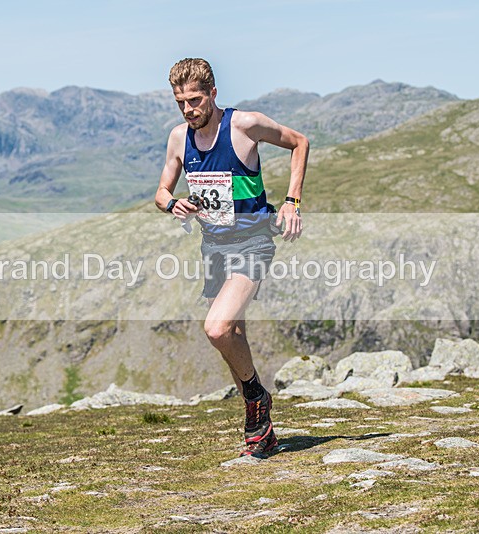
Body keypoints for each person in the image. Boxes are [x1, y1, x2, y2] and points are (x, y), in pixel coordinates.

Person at [154, 58, 309, 458]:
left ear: (213, 93)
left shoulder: (243, 126)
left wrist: (291, 202)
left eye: (195, 99)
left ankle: (256, 397)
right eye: (181, 102)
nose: (189, 109)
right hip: (213, 246)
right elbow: (160, 192)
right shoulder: (178, 138)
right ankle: (262, 430)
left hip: (253, 241)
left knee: (217, 329)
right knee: (232, 339)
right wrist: (173, 204)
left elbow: (299, 143)